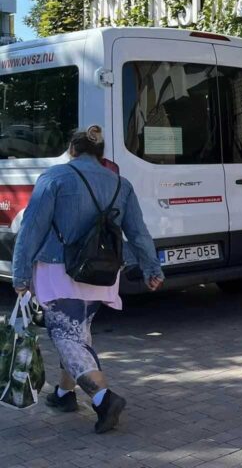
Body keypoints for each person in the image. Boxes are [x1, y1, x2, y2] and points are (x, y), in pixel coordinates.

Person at [10, 125, 164, 433]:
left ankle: (104, 399)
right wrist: (152, 269)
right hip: (103, 272)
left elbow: (31, 229)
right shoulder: (121, 183)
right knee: (77, 333)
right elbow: (138, 232)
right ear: (101, 154)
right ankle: (64, 393)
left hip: (58, 270)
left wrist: (21, 274)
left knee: (66, 335)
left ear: (72, 150)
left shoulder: (54, 177)